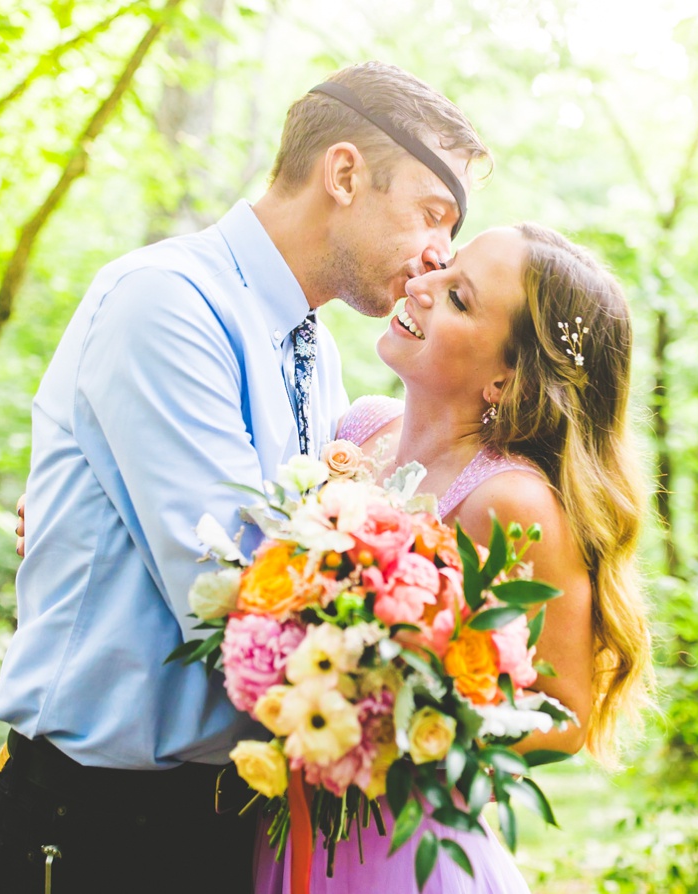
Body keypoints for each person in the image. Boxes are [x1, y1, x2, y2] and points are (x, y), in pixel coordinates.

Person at [0, 62, 485, 894]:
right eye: (434, 212)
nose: (441, 253)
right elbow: (236, 590)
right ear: (347, 173)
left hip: (231, 821)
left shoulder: (311, 347)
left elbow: (311, 549)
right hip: (98, 827)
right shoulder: (166, 302)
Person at [255, 223, 652, 892]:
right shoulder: (357, 431)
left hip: (401, 849)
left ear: (506, 376)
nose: (421, 285)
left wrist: (399, 721)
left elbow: (565, 716)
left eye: (459, 297)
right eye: (443, 267)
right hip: (290, 825)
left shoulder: (512, 499)